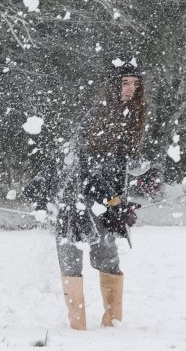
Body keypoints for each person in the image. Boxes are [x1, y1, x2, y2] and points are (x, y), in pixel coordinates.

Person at [28, 62, 149, 330]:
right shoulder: (99, 115)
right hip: (78, 196)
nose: (131, 89)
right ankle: (77, 325)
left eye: (135, 83)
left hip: (105, 198)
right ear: (114, 84)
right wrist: (110, 198)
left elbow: (122, 162)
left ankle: (112, 321)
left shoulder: (132, 116)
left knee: (107, 254)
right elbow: (85, 163)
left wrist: (144, 174)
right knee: (71, 252)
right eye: (126, 82)